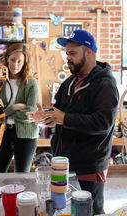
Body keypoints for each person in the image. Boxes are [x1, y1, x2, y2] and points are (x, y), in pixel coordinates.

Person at [26, 30, 119, 214]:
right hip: (63, 162)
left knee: (90, 211)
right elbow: (59, 114)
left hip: (89, 166)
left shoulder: (105, 84)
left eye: (72, 53)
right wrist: (45, 117)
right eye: (66, 53)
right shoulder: (69, 82)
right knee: (66, 210)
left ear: (89, 52)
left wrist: (64, 118)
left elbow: (103, 123)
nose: (67, 58)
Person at [0, 43, 39, 173]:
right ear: (7, 58)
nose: (15, 65)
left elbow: (31, 113)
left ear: (25, 63)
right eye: (12, 60)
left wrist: (7, 111)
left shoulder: (31, 83)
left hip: (26, 136)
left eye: (19, 61)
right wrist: (15, 107)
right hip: (3, 133)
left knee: (22, 176)